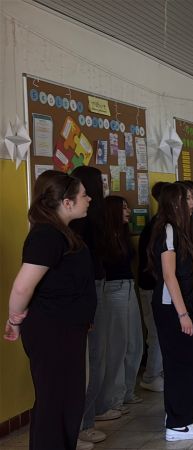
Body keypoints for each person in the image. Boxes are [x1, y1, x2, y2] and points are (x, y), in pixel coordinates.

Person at [5, 171, 95, 450]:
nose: (89, 199)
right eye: (83, 195)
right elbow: (22, 287)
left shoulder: (63, 232)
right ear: (67, 203)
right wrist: (14, 319)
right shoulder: (46, 235)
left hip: (67, 329)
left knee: (68, 402)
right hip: (52, 331)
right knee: (54, 403)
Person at [147, 183, 193, 442]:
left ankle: (178, 414)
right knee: (189, 362)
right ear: (176, 202)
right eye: (188, 198)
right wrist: (183, 314)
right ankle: (178, 424)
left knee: (183, 362)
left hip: (180, 304)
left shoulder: (178, 228)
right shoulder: (168, 229)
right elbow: (169, 275)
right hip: (172, 306)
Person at [70, 167, 114, 445]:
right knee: (93, 358)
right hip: (91, 290)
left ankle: (89, 417)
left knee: (97, 357)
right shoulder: (82, 222)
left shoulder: (91, 217)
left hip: (96, 285)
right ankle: (83, 423)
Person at [96, 196, 143, 421]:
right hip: (112, 290)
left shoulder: (123, 235)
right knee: (117, 346)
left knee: (134, 342)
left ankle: (126, 392)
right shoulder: (103, 237)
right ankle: (112, 399)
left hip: (128, 286)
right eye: (123, 208)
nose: (128, 211)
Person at [137, 182, 168, 394]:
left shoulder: (165, 224)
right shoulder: (157, 226)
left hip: (160, 286)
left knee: (161, 331)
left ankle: (159, 372)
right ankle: (151, 375)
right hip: (152, 286)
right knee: (156, 332)